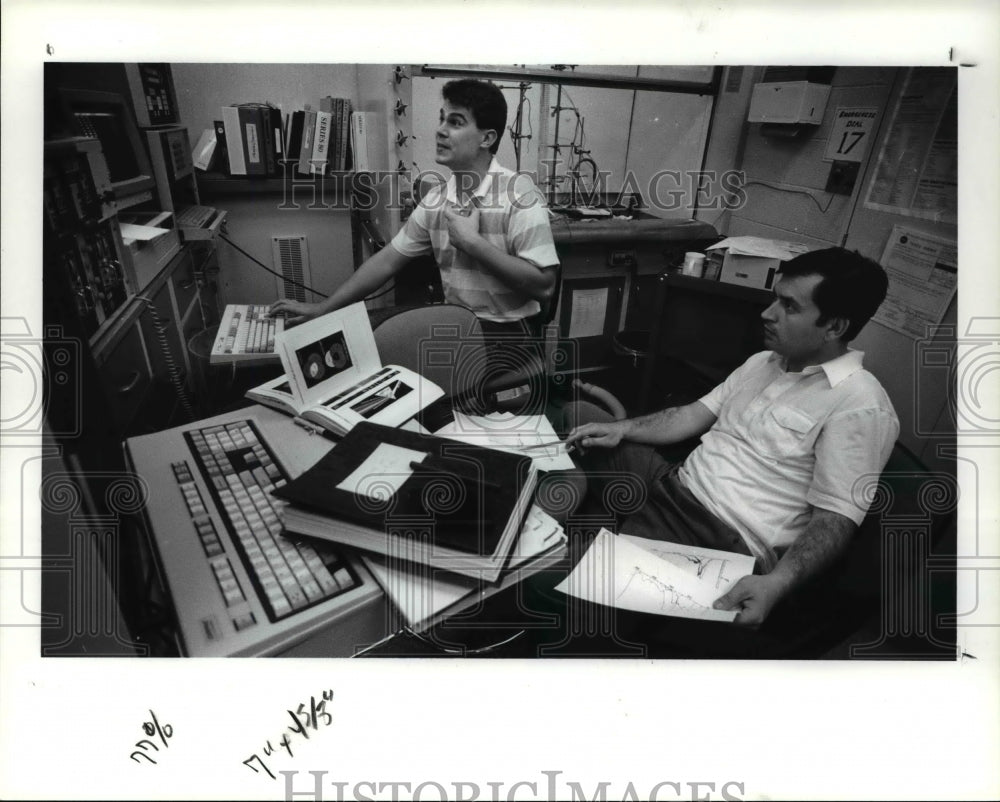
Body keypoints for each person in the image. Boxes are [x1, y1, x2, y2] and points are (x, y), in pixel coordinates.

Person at [563, 247, 899, 627]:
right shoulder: (764, 362)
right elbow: (691, 415)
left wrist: (776, 583)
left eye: (789, 307)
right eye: (776, 297)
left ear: (834, 327)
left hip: (714, 534)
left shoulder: (861, 404)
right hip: (672, 484)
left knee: (549, 571)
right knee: (579, 416)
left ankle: (593, 545)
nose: (767, 313)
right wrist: (622, 428)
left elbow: (835, 519)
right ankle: (599, 520)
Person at [270, 79, 559, 350]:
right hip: (459, 323)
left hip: (509, 333)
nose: (441, 130)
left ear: (487, 138)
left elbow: (545, 286)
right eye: (442, 119)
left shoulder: (519, 193)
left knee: (382, 354)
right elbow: (386, 262)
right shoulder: (437, 199)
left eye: (455, 122)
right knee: (361, 339)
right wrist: (324, 309)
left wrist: (473, 244)